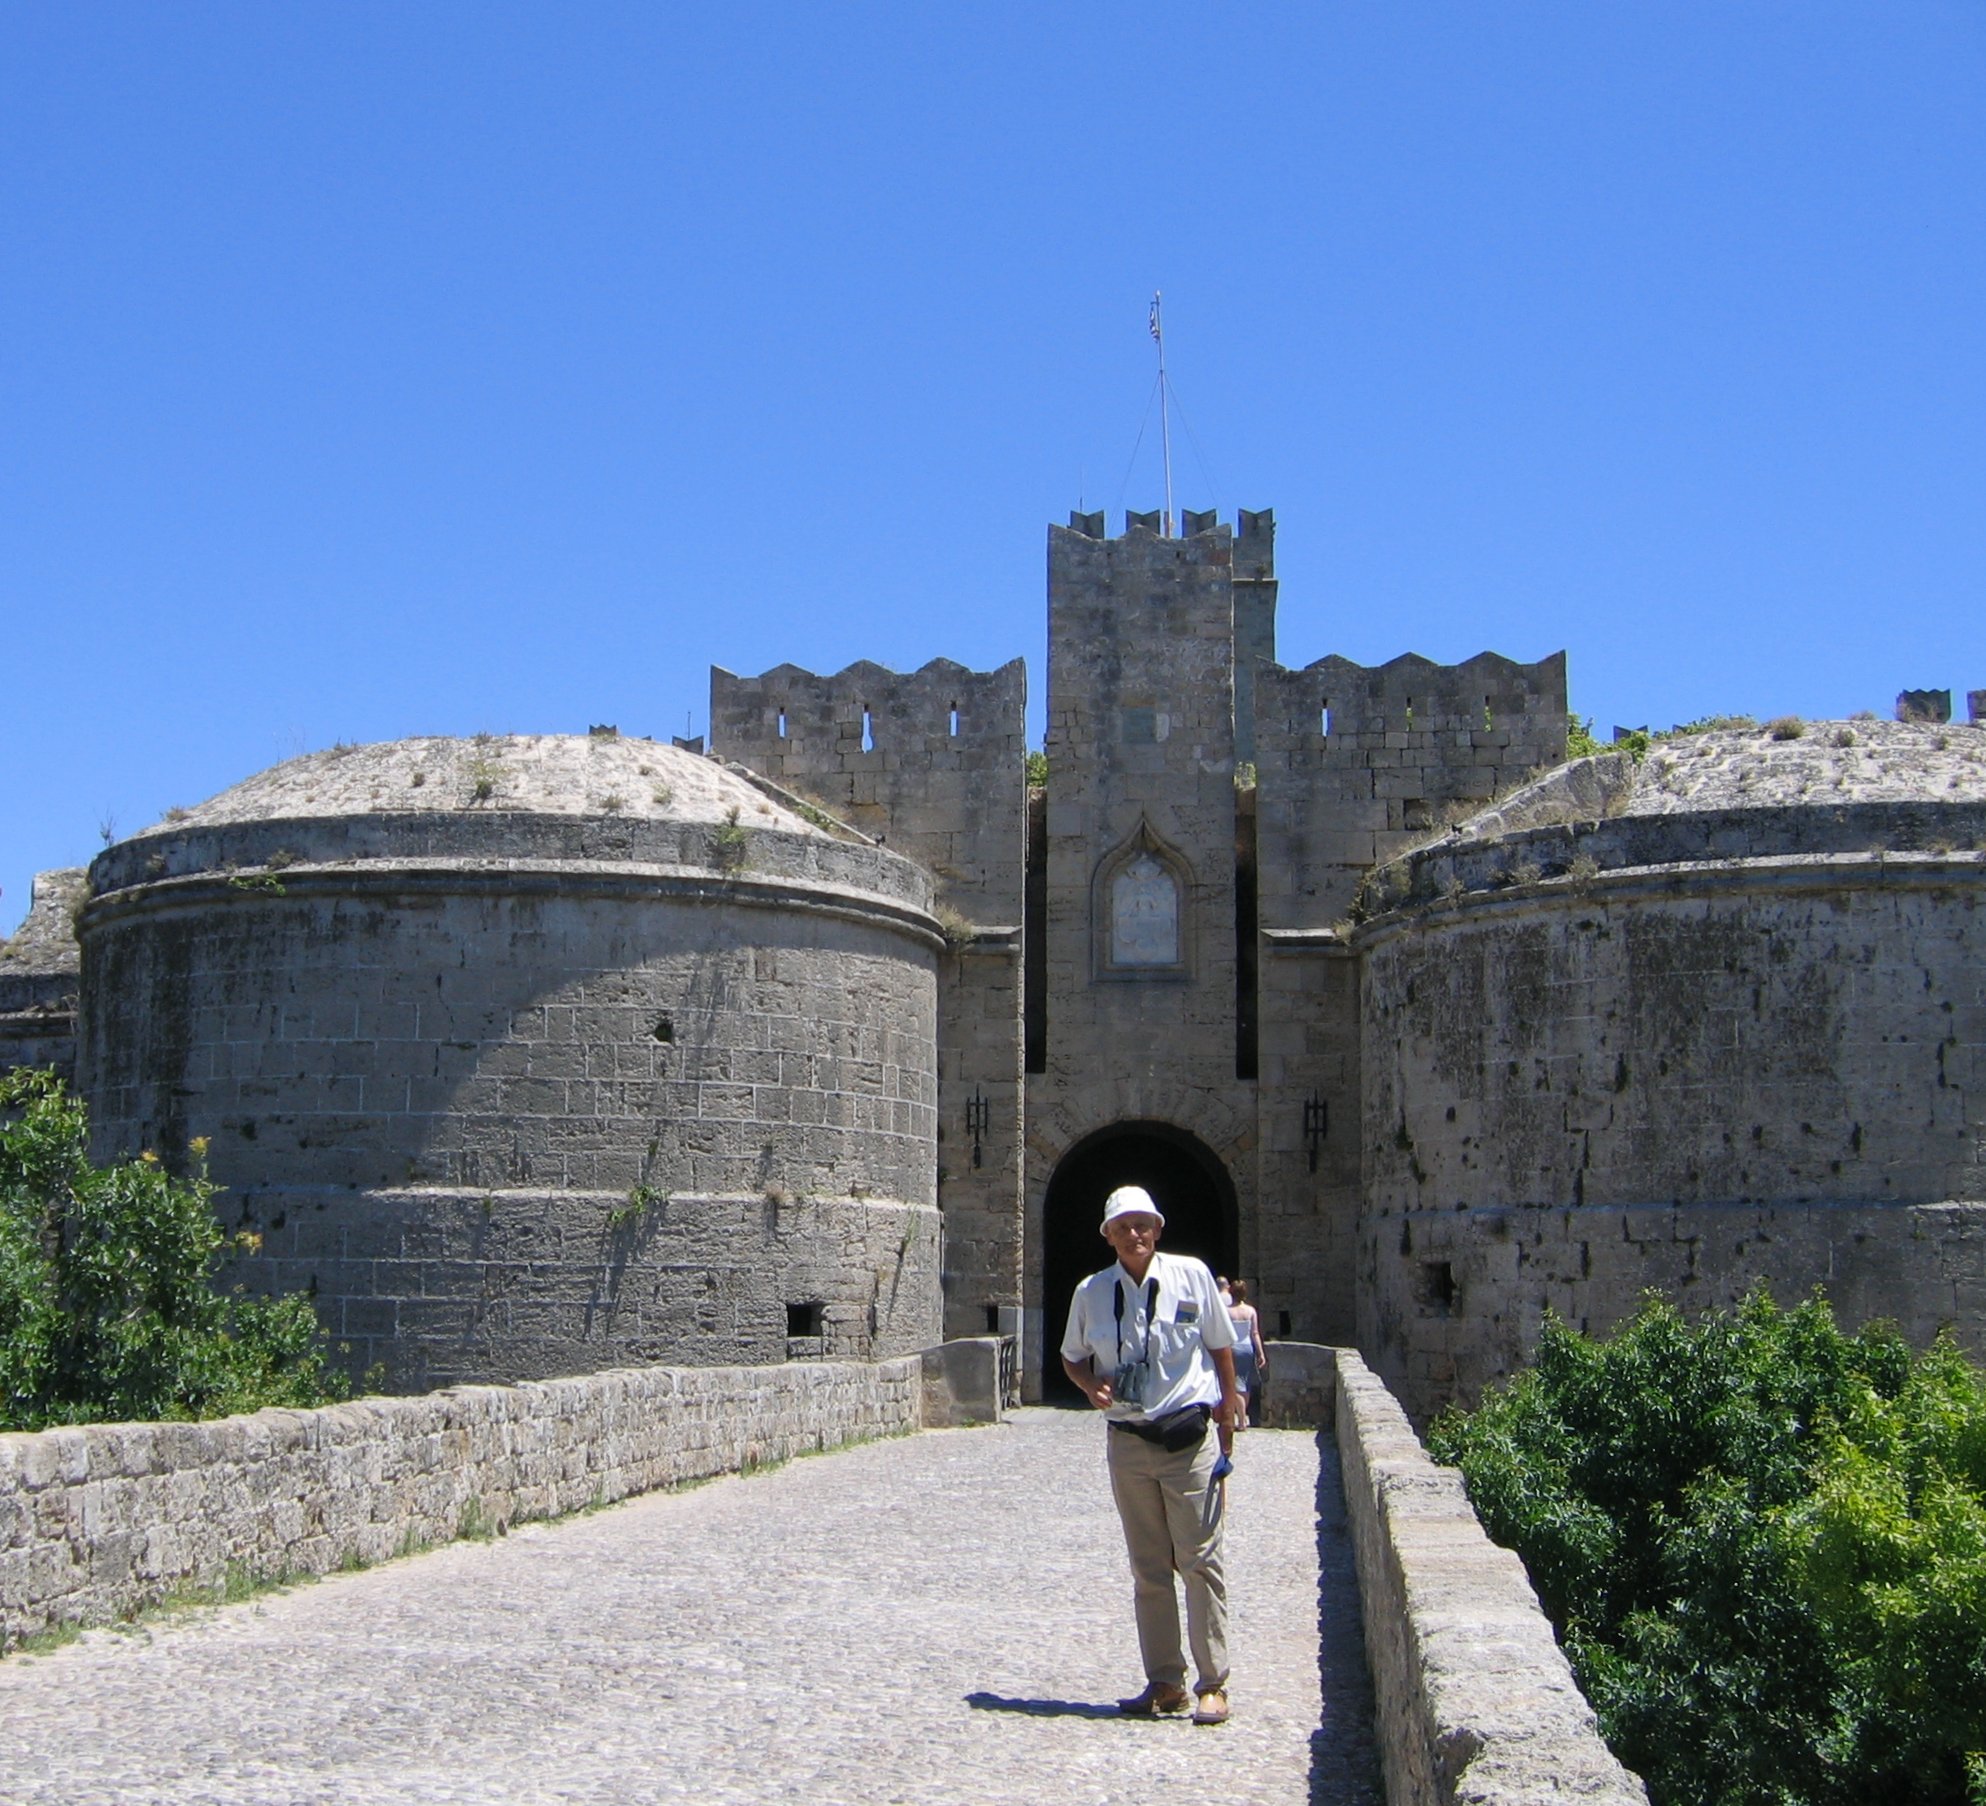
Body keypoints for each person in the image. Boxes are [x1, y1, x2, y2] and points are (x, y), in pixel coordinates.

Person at [1061, 1185, 1244, 1725]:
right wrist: (1088, 1384)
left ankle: (1214, 1683)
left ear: (1157, 1229)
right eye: (1123, 1227)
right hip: (1130, 1442)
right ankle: (1165, 1681)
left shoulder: (1191, 1276)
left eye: (1142, 1225)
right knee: (1148, 1569)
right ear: (1109, 1236)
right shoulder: (1091, 1292)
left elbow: (1219, 1345)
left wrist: (1228, 1412)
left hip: (1188, 1440)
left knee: (1200, 1561)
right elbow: (1072, 1357)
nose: (1134, 1234)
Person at [1218, 1277, 1268, 1428]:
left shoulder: (1226, 1312)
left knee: (1232, 1383)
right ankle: (1242, 1417)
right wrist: (1260, 1353)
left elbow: (1222, 1333)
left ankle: (1238, 1418)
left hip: (1231, 1348)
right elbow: (1255, 1334)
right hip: (1247, 1349)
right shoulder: (1250, 1311)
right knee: (1244, 1384)